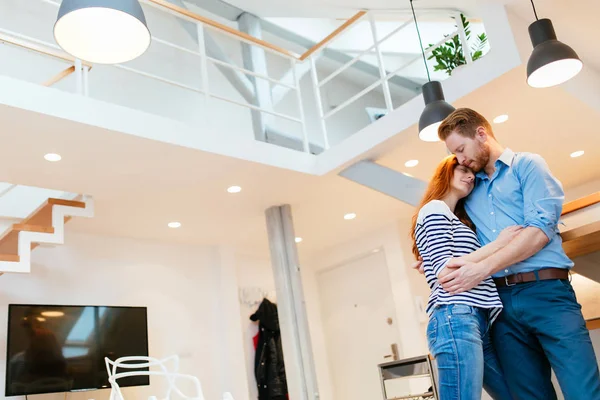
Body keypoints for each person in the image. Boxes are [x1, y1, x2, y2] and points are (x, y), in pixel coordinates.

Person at [435, 108, 600, 399]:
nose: (460, 160)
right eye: (455, 154)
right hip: (501, 307)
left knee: (583, 391)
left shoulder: (528, 166)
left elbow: (538, 232)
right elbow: (444, 220)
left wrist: (483, 269)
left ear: (481, 134)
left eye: (461, 149)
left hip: (548, 294)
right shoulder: (469, 188)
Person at [410, 155, 518, 400]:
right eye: (462, 170)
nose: (470, 176)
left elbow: (442, 264)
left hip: (476, 319)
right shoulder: (435, 208)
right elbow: (445, 272)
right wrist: (500, 244)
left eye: (472, 173)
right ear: (444, 174)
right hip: (456, 316)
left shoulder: (458, 219)